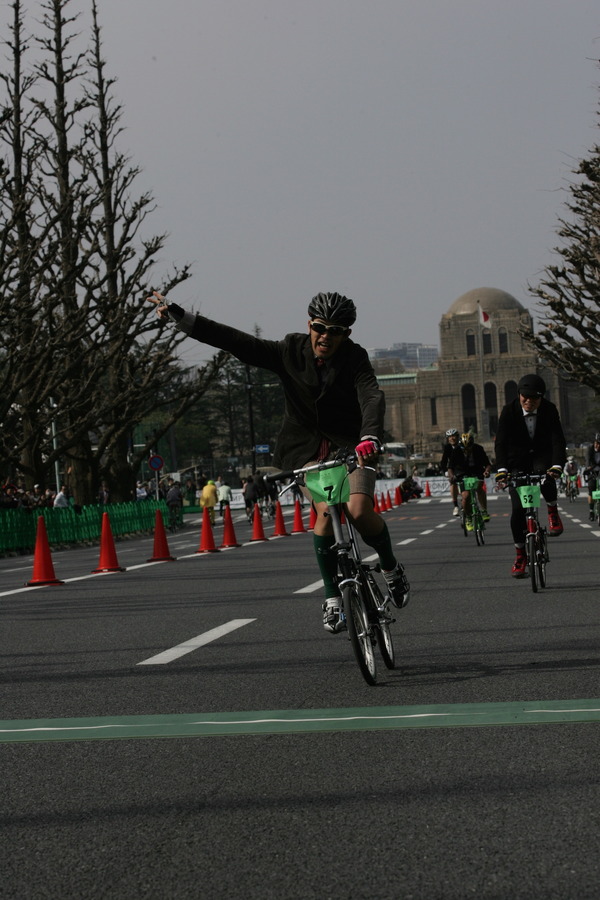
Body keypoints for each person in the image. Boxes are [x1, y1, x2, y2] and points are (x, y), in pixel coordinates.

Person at [147, 289, 410, 632]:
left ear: (347, 333)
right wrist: (182, 318)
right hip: (304, 451)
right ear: (309, 325)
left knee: (358, 510)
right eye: (320, 327)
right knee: (326, 517)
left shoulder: (355, 357)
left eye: (336, 331)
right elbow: (237, 342)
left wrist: (370, 435)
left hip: (353, 446)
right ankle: (332, 597)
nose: (326, 337)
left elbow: (371, 394)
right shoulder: (289, 350)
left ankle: (391, 567)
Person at [494, 373, 566, 578]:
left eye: (534, 398)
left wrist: (557, 465)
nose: (528, 401)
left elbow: (557, 440)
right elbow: (501, 442)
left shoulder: (550, 410)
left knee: (546, 475)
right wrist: (501, 470)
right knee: (517, 511)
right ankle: (520, 555)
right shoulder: (509, 411)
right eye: (524, 397)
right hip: (517, 460)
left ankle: (552, 510)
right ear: (519, 395)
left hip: (542, 456)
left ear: (541, 398)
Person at [447, 432, 491, 530]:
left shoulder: (478, 449)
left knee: (479, 488)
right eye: (464, 449)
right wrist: (452, 476)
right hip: (462, 473)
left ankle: (484, 510)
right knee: (465, 496)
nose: (467, 450)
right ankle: (468, 518)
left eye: (469, 448)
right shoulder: (456, 450)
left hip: (477, 472)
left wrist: (487, 472)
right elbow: (450, 467)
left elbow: (487, 464)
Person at [440, 428, 462, 516]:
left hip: (463, 467)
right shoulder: (448, 447)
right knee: (452, 483)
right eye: (449, 437)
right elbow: (444, 460)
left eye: (453, 436)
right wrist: (445, 471)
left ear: (457, 437)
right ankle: (456, 505)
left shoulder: (462, 445)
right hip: (452, 468)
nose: (451, 438)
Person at [583, 433, 600, 521]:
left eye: (599, 444)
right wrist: (589, 467)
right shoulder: (590, 449)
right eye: (596, 443)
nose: (597, 445)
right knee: (591, 490)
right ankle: (591, 511)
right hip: (592, 471)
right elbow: (587, 460)